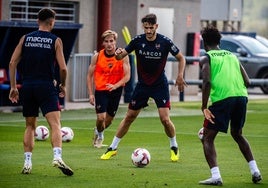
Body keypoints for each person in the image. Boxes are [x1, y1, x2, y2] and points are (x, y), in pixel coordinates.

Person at [100, 13, 187, 162]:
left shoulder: (165, 42)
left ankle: (174, 146)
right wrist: (118, 54)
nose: (148, 31)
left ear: (156, 26)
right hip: (142, 86)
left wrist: (180, 75)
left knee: (165, 119)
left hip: (160, 85)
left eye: (151, 28)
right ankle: (112, 148)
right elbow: (120, 57)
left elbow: (181, 58)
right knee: (129, 117)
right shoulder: (137, 41)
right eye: (146, 27)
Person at [8, 8, 73, 176]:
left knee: (30, 126)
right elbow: (63, 68)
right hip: (46, 86)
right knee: (55, 125)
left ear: (37, 21)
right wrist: (63, 85)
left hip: (28, 87)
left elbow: (12, 62)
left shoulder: (25, 39)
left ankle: (27, 162)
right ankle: (57, 156)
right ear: (52, 22)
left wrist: (14, 87)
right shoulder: (55, 40)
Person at [198, 25, 262, 185]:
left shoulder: (207, 58)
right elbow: (248, 81)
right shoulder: (232, 56)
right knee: (237, 133)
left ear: (204, 43)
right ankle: (255, 171)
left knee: (207, 137)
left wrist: (204, 106)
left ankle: (216, 176)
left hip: (222, 99)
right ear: (219, 41)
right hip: (241, 97)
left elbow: (206, 81)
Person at [87, 30, 130, 148]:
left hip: (116, 91)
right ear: (103, 43)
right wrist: (91, 94)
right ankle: (100, 136)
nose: (109, 44)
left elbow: (127, 76)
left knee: (109, 120)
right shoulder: (97, 56)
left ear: (115, 42)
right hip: (101, 90)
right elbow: (89, 75)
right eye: (106, 41)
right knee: (101, 118)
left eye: (111, 41)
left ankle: (98, 131)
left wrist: (115, 85)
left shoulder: (122, 56)